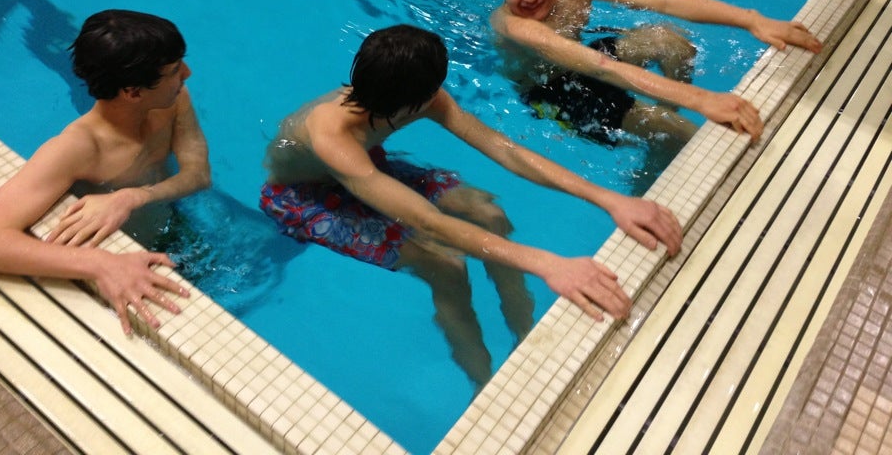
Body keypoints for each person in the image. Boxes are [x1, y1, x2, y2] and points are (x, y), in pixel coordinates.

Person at [260, 24, 681, 386]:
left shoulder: (413, 97)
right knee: (446, 265)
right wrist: (549, 263)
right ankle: (485, 382)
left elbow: (505, 150)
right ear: (407, 102)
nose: (438, 95)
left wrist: (610, 200)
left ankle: (523, 336)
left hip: (367, 167)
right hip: (304, 195)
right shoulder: (331, 135)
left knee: (489, 214)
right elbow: (429, 222)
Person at [0, 9, 211, 335]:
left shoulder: (173, 99)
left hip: (175, 228)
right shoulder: (76, 148)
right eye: (176, 70)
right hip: (129, 253)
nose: (188, 74)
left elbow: (199, 173)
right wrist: (101, 263)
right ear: (133, 91)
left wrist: (133, 196)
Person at [490, 0, 823, 148]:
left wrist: (753, 20)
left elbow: (660, 0)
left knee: (672, 41)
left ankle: (663, 123)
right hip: (552, 92)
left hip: (590, 63)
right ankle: (663, 145)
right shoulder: (515, 27)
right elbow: (600, 66)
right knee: (676, 131)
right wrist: (700, 98)